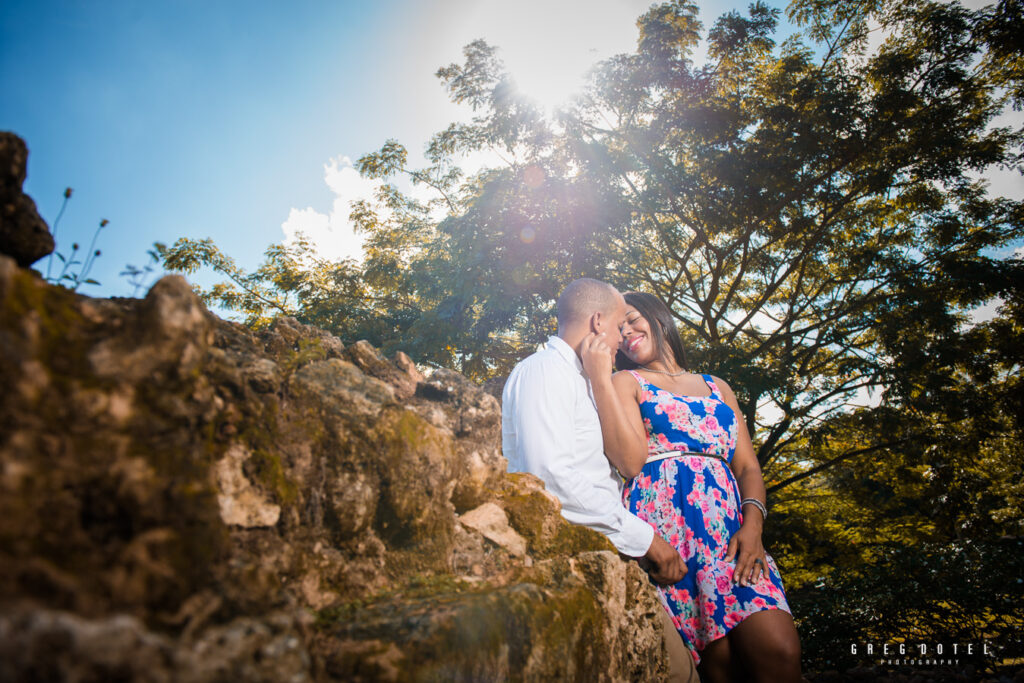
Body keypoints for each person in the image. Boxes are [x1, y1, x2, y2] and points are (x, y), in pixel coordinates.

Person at [590, 290, 801, 683]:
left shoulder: (717, 386)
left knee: (779, 651)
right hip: (669, 537)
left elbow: (748, 468)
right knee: (716, 669)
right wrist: (600, 375)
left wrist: (753, 527)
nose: (627, 331)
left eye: (632, 318)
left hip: (730, 539)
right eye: (619, 329)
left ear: (657, 316)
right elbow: (626, 460)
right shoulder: (626, 381)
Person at [502, 278, 698, 683]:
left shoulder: (582, 380)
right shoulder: (544, 371)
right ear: (596, 322)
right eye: (617, 325)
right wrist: (646, 538)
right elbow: (548, 480)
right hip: (571, 563)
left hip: (607, 556)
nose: (622, 337)